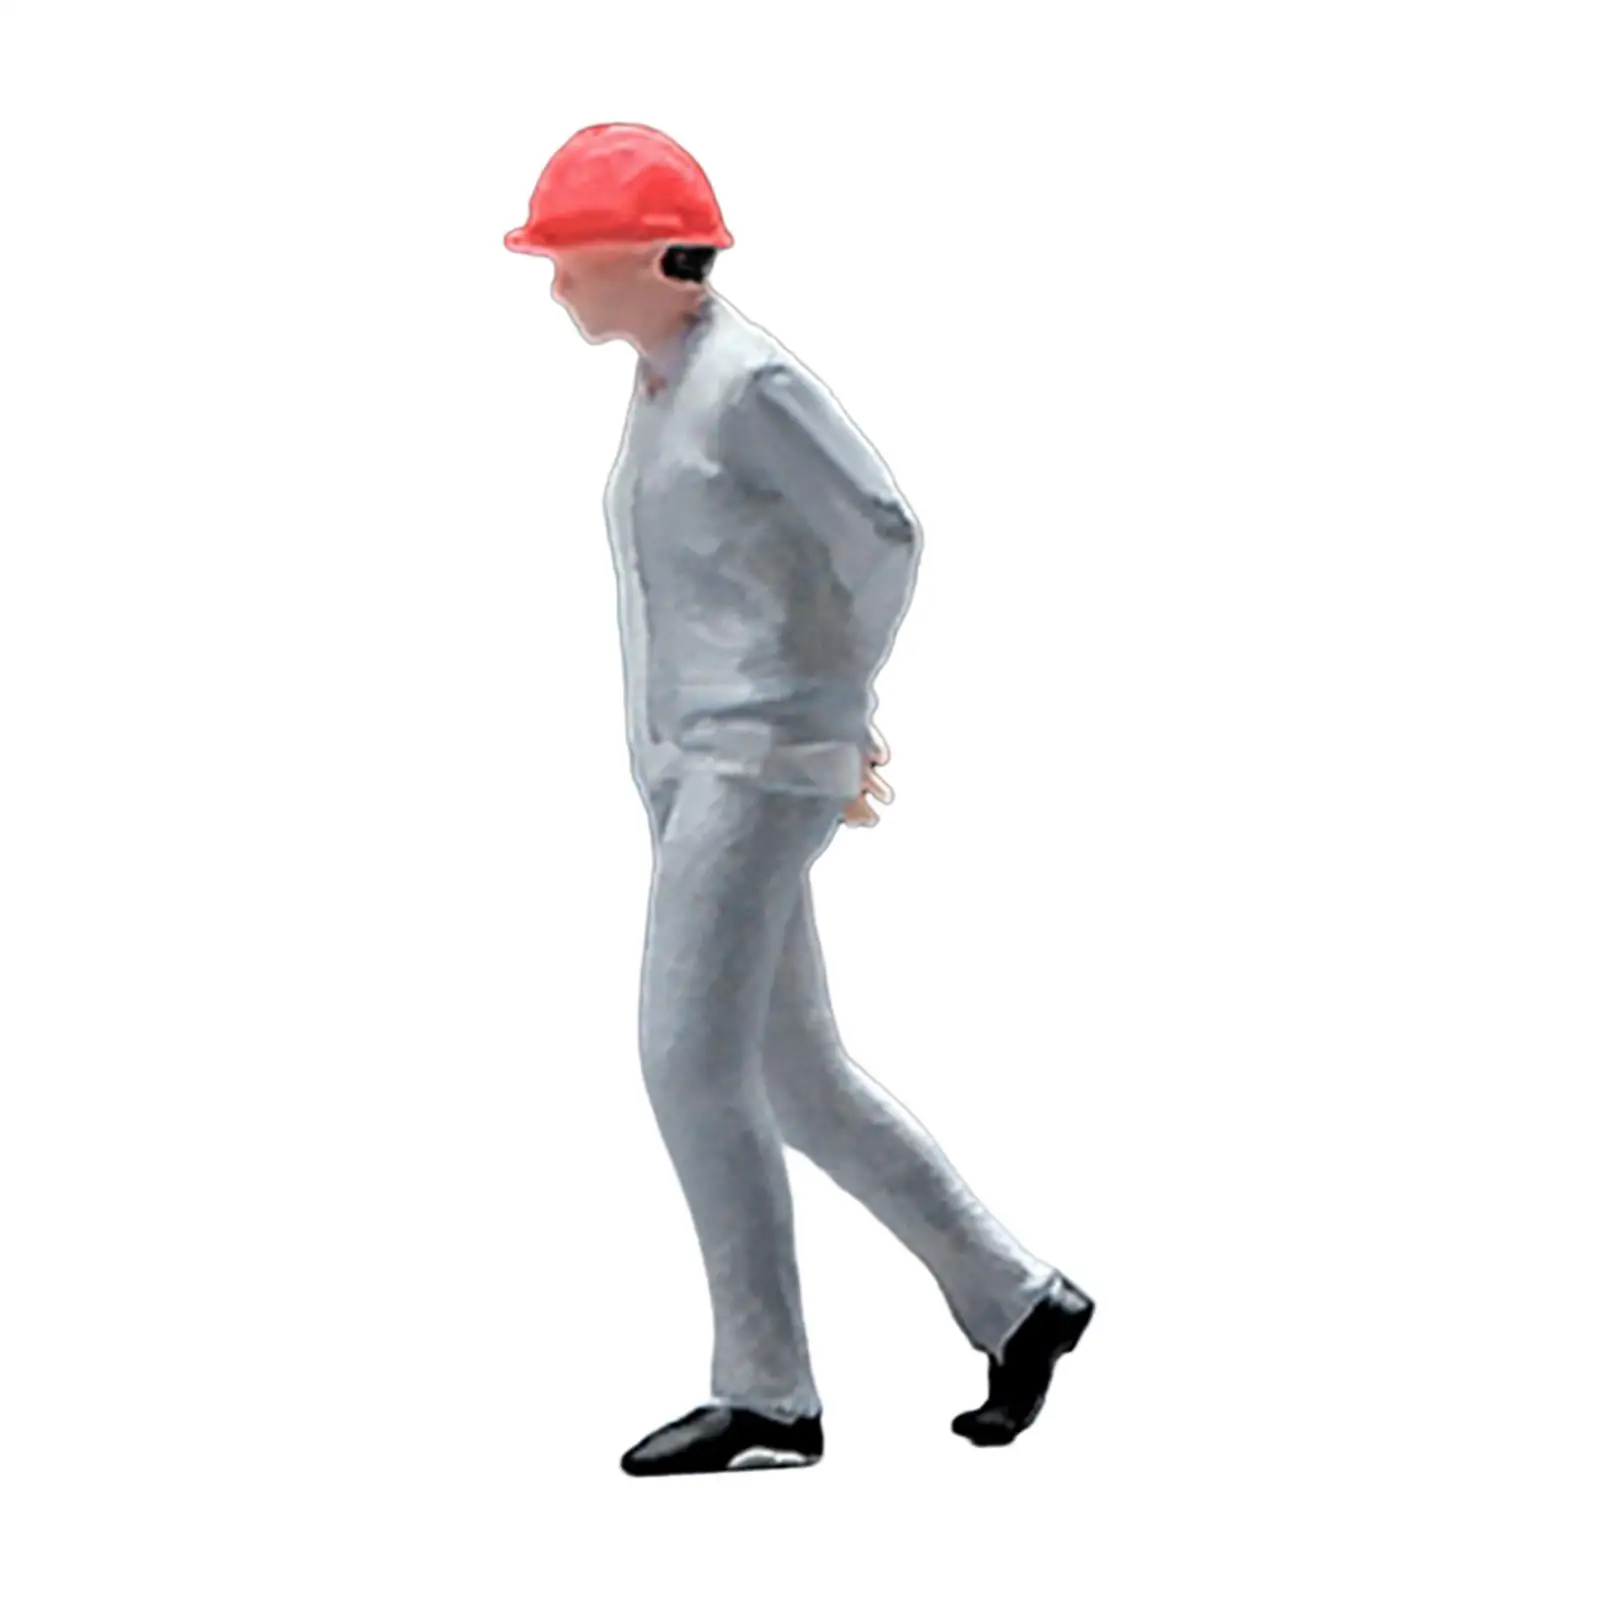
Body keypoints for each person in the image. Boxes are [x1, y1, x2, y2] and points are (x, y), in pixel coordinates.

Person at [504, 123, 1095, 1478]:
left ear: (657, 257)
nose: (557, 284)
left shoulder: (749, 382)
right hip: (694, 762)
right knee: (795, 1070)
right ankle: (1019, 1301)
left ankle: (768, 1390)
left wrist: (830, 707)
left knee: (686, 1062)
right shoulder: (666, 381)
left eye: (572, 257)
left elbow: (883, 532)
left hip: (754, 765)